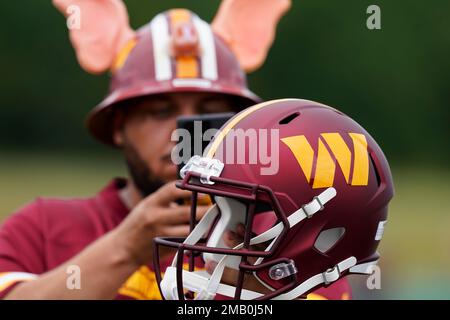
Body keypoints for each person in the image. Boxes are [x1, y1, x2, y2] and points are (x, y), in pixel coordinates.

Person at [0, 0, 351, 299]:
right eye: (160, 111)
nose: (184, 131)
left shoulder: (286, 235)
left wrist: (251, 285)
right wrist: (124, 248)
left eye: (208, 111)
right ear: (119, 126)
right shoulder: (43, 228)